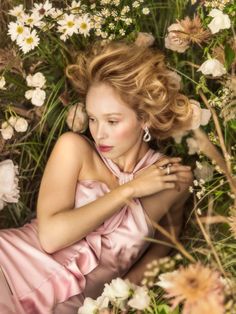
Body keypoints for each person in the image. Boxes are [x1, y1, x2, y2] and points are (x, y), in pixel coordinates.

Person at [0, 40, 193, 314]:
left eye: (112, 121)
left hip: (75, 306)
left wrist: (116, 301)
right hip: (9, 267)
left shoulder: (171, 180)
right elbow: (51, 238)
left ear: (145, 118)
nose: (99, 133)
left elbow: (168, 241)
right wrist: (129, 191)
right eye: (92, 119)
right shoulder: (74, 149)